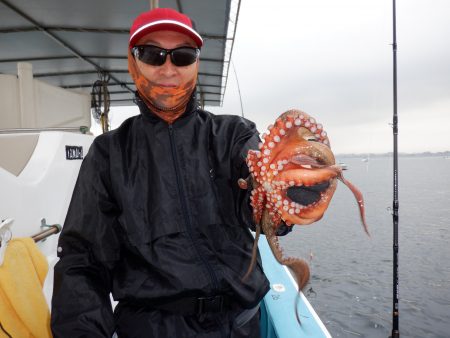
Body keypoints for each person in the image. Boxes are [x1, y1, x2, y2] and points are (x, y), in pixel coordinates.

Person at [51, 7, 290, 338]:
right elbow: (83, 261)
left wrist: (292, 192)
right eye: (153, 54)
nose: (168, 68)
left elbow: (262, 208)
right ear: (134, 63)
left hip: (238, 324)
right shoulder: (108, 154)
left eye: (182, 56)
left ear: (195, 64)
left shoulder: (233, 134)